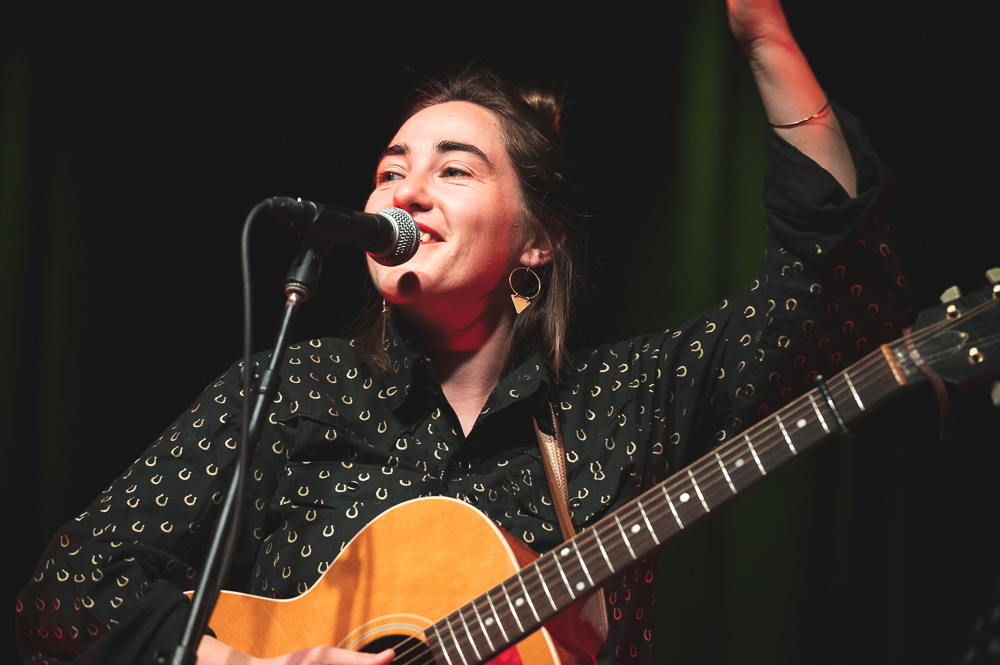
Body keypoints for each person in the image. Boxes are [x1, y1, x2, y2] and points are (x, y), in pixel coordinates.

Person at [15, 1, 910, 663]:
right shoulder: (290, 389)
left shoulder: (622, 401)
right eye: (389, 170)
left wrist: (764, 35)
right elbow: (66, 590)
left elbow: (838, 297)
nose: (405, 190)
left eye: (454, 170)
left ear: (537, 240)